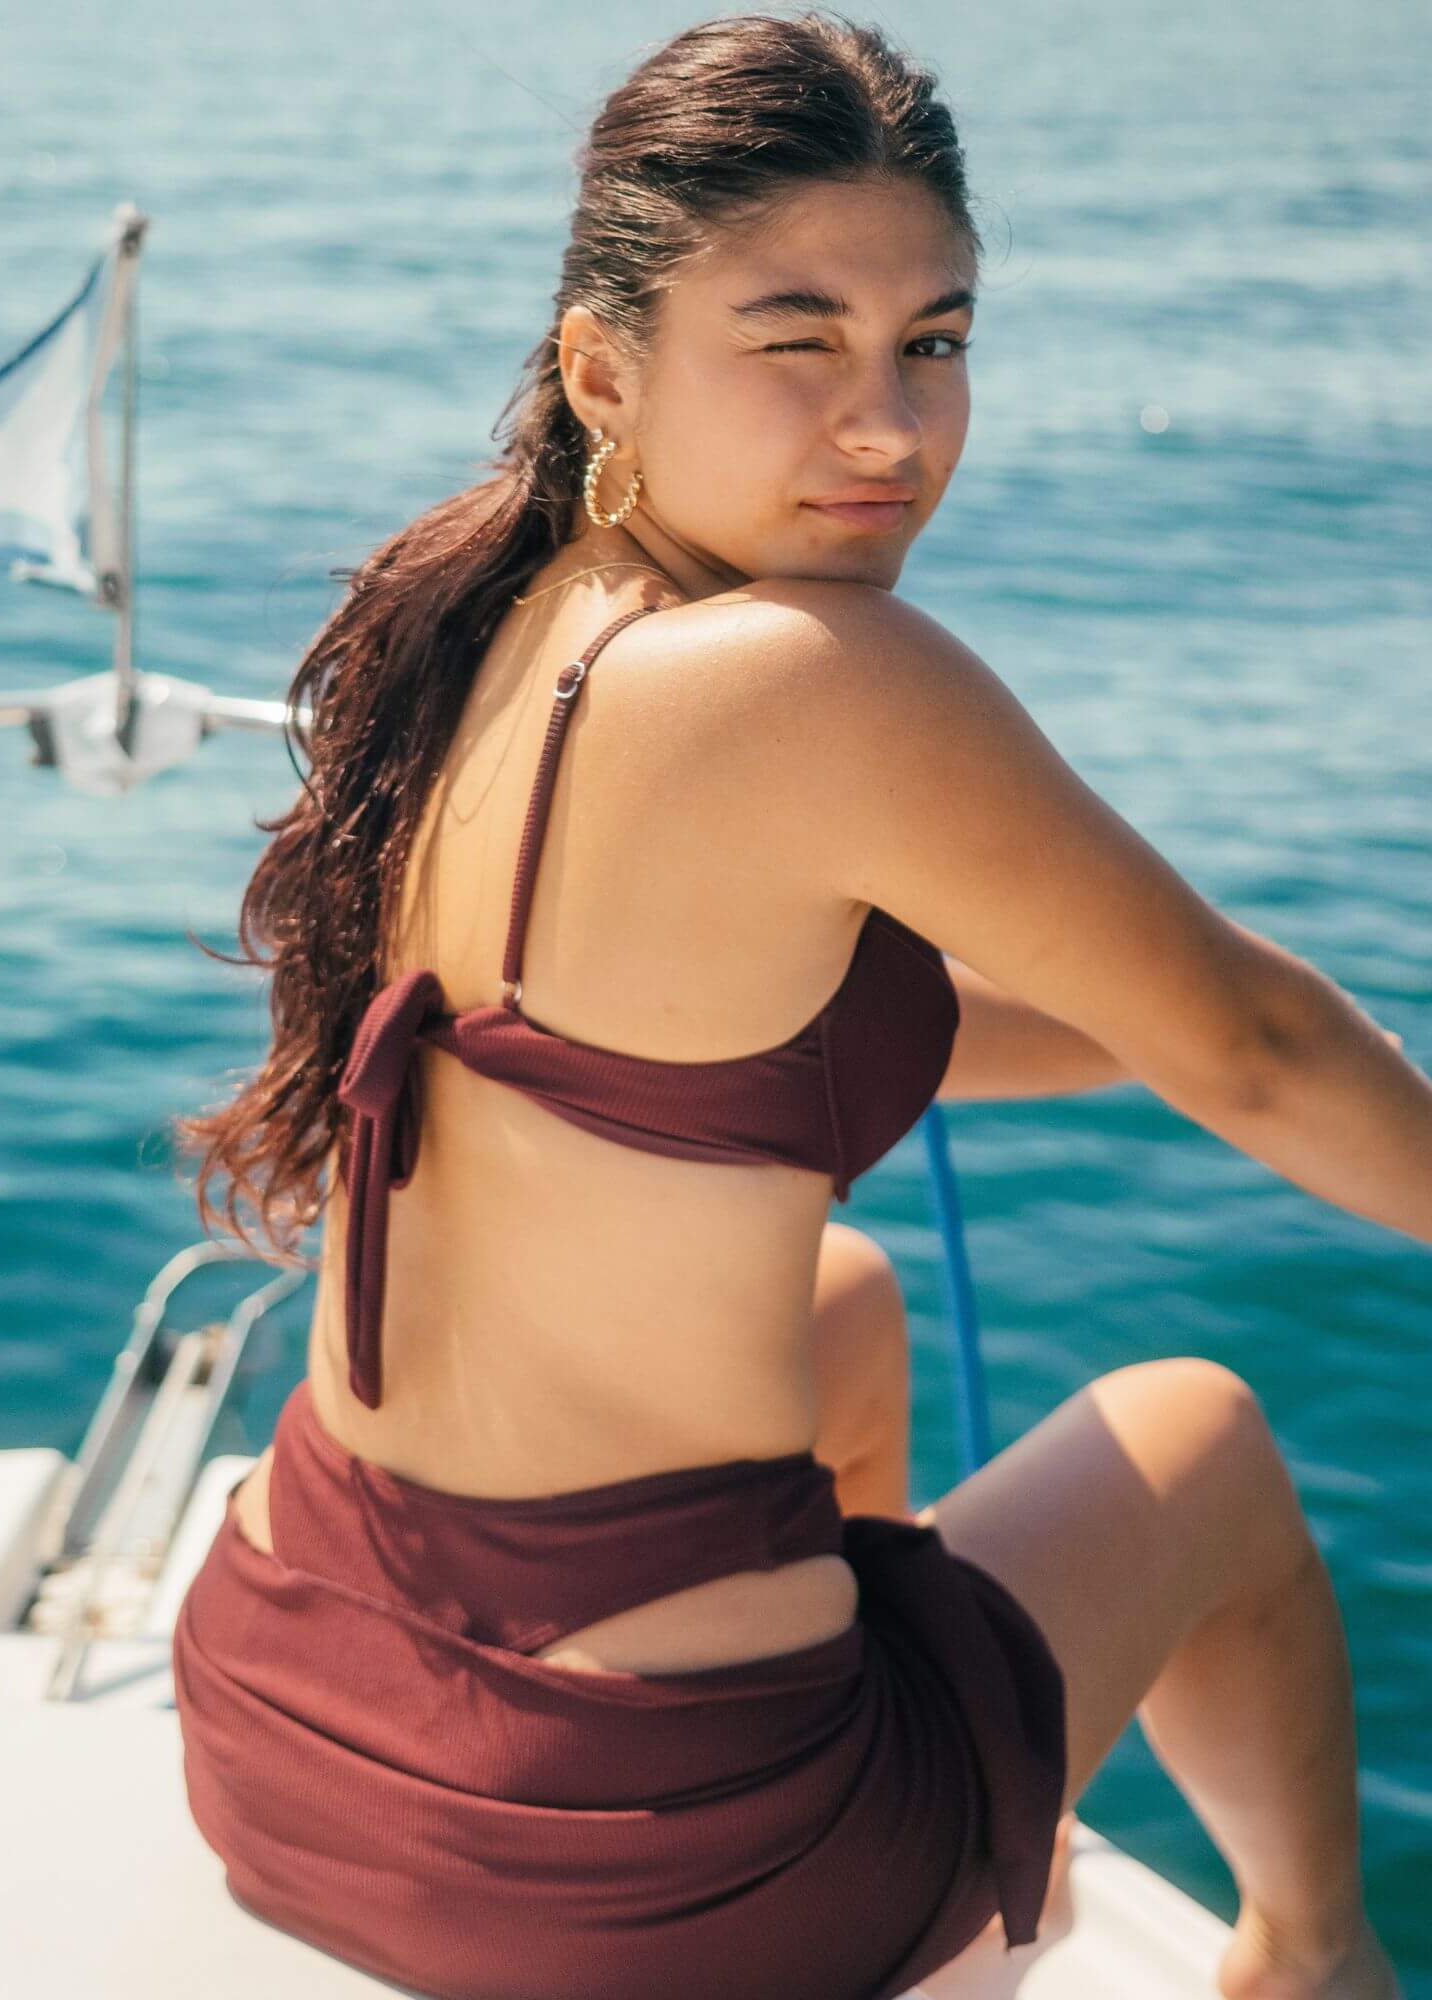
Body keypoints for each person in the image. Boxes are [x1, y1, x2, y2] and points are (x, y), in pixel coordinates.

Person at [169, 12, 1424, 1998]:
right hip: (633, 1870)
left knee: (839, 1302)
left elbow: (697, 1053)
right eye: (798, 342)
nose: (889, 425)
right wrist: (1228, 1034)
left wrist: (1150, 1017)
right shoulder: (809, 670)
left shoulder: (485, 601)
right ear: (605, 366)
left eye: (931, 340)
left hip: (282, 1709)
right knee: (1206, 1441)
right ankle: (1306, 1958)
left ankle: (880, 1755)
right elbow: (1260, 1053)